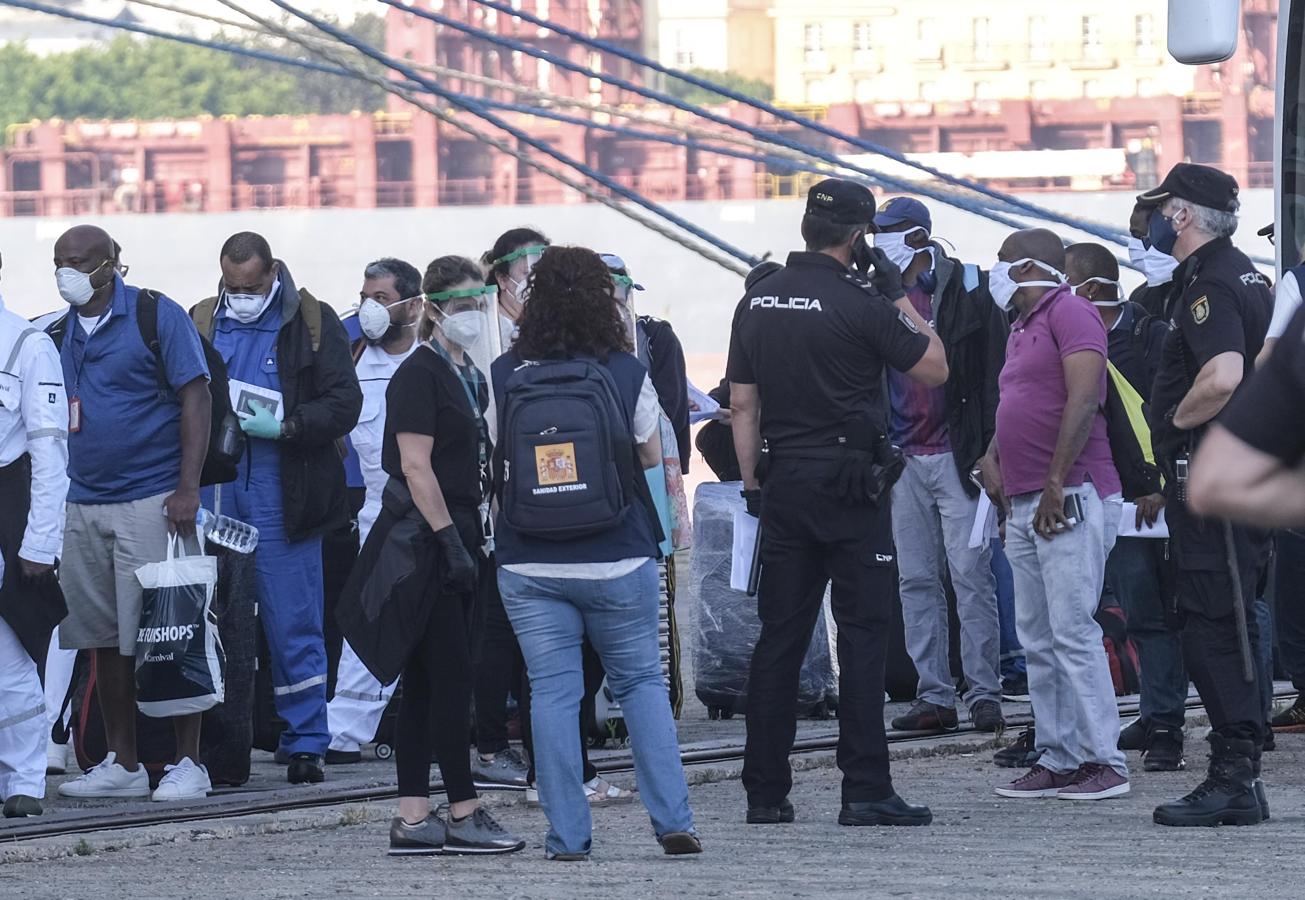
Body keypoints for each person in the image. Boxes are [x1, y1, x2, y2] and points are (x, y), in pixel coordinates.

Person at [729, 179, 946, 827]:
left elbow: (742, 404)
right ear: (857, 238)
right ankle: (865, 791)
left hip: (784, 485)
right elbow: (933, 367)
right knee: (861, 637)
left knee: (779, 638)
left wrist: (752, 487)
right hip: (854, 488)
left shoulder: (758, 299)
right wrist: (897, 297)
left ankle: (765, 794)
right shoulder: (863, 301)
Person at [493, 246, 699, 859]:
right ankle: (673, 822)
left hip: (528, 561)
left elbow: (496, 454)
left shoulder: (505, 372)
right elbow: (645, 451)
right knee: (641, 684)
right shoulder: (626, 369)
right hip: (616, 554)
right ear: (604, 300)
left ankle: (567, 835)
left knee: (552, 693)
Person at [50, 225, 214, 803]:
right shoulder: (57, 331)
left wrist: (187, 488)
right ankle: (124, 760)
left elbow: (196, 394)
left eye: (78, 261)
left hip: (153, 498)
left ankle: (190, 761)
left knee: (170, 628)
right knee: (104, 640)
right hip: (81, 502)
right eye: (59, 262)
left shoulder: (154, 314)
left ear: (111, 264)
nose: (67, 271)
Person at [194, 232, 361, 785]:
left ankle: (307, 740)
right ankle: (219, 744)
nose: (240, 294)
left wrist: (287, 425)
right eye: (231, 285)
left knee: (294, 620)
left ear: (272, 274)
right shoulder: (200, 319)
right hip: (217, 487)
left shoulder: (311, 322)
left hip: (283, 486)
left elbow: (344, 404)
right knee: (214, 621)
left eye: (250, 285)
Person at [370, 254, 524, 856]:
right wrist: (448, 541)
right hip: (435, 540)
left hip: (464, 532)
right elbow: (414, 465)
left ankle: (413, 817)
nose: (469, 314)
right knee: (449, 675)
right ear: (432, 306)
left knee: (431, 679)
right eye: (458, 303)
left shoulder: (471, 375)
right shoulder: (421, 374)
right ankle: (463, 808)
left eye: (475, 302)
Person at [1140, 163, 1274, 826]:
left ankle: (1232, 776)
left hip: (1213, 475)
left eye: (1162, 209)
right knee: (1230, 617)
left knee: (1213, 621)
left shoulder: (1211, 282)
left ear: (1182, 214)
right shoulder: (1245, 273)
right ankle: (1239, 768)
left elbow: (1222, 376)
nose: (1157, 220)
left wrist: (1171, 424)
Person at [981, 228, 1129, 802]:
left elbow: (1084, 399)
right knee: (1037, 636)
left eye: (1000, 263)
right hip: (1023, 499)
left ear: (1023, 269)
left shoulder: (1072, 313)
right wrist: (992, 458)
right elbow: (1018, 402)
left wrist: (1053, 483)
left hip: (1071, 493)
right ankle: (1059, 755)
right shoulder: (1020, 326)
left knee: (1072, 630)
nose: (992, 272)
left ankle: (1105, 760)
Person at [871, 197, 1007, 736]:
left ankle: (985, 693)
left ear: (920, 235)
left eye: (892, 230)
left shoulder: (969, 288)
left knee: (971, 577)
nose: (881, 238)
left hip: (959, 453)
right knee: (915, 580)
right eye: (877, 229)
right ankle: (934, 695)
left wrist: (992, 448)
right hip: (903, 456)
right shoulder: (876, 295)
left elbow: (995, 371)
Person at [1065, 242, 1188, 772]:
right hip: (1101, 497)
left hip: (1150, 502)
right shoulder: (1068, 338)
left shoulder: (1150, 337)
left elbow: (1173, 415)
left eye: (1065, 280)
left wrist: (1163, 485)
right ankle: (1154, 710)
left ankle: (1167, 727)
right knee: (1132, 613)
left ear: (1090, 289)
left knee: (1163, 615)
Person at [325, 258, 424, 766]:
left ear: (413, 304)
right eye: (365, 296)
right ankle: (343, 733)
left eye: (382, 298)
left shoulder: (432, 363)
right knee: (369, 617)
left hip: (438, 512)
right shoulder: (353, 364)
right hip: (378, 516)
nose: (370, 308)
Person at [0, 250, 69, 818]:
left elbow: (50, 454)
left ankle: (24, 778)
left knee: (9, 655)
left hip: (8, 512)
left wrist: (39, 543)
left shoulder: (27, 346)